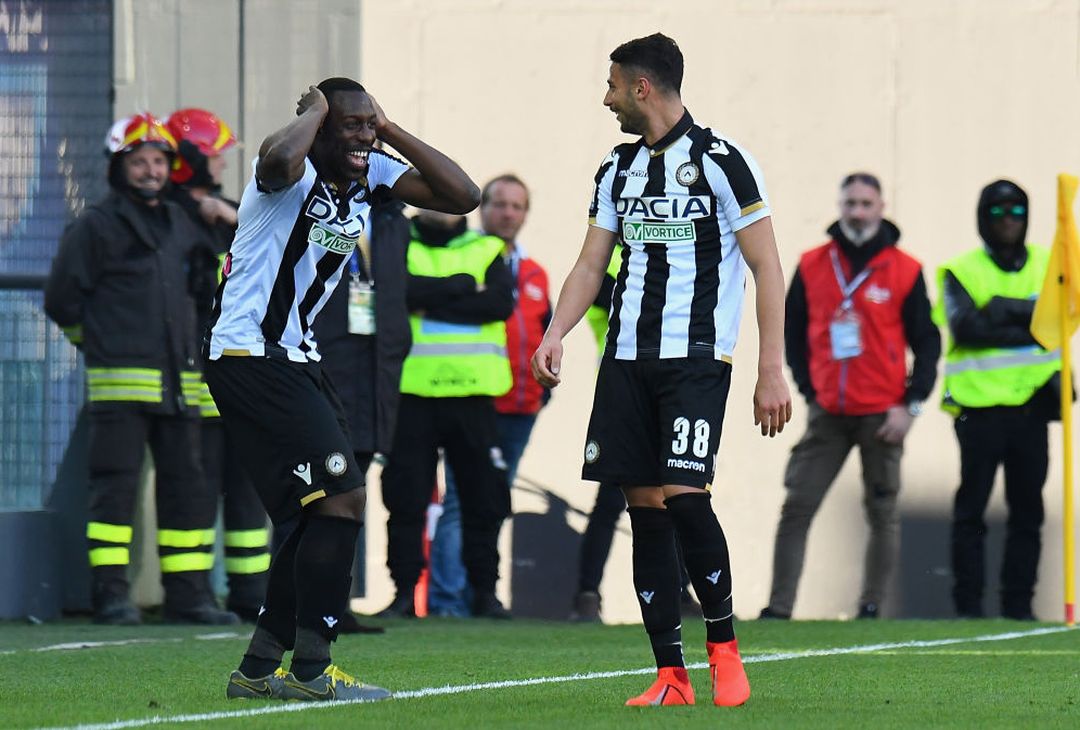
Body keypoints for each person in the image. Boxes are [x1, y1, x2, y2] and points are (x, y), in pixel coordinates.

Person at [532, 33, 792, 707]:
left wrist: (772, 368)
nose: (606, 97)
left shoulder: (723, 162)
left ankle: (725, 650)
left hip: (696, 360)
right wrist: (555, 332)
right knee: (642, 507)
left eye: (613, 84)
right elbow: (592, 264)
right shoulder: (615, 170)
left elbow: (766, 266)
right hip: (626, 360)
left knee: (684, 494)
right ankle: (671, 676)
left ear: (642, 87)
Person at [204, 77, 479, 702]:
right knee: (344, 498)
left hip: (296, 358)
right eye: (349, 126)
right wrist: (319, 110)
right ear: (321, 127)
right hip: (251, 352)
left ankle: (257, 669)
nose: (362, 136)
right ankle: (312, 670)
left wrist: (387, 130)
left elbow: (462, 194)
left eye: (368, 124)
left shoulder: (371, 175)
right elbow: (276, 158)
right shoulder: (287, 175)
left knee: (318, 509)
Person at [44, 113, 237, 626]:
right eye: (140, 161)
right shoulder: (95, 227)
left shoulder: (181, 225)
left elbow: (211, 290)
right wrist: (100, 348)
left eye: (159, 161)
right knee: (115, 492)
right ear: (118, 167)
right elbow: (62, 302)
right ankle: (109, 595)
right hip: (121, 390)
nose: (151, 170)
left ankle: (189, 597)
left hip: (181, 388)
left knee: (188, 491)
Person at [759, 173, 940, 621]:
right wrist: (808, 388)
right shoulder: (815, 263)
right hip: (829, 414)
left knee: (882, 512)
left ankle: (871, 606)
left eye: (866, 203)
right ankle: (779, 608)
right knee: (797, 505)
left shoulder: (905, 269)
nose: (857, 212)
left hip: (882, 413)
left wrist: (911, 406)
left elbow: (929, 344)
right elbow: (792, 332)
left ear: (881, 208)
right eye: (850, 203)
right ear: (840, 207)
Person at [377, 209, 515, 620]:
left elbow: (497, 305)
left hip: (473, 396)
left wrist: (426, 299)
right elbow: (394, 293)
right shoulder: (397, 242)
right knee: (405, 499)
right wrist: (458, 287)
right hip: (411, 393)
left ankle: (484, 594)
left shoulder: (486, 246)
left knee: (484, 500)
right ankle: (404, 594)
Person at [933, 179, 1060, 621]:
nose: (1009, 220)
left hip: (1033, 408)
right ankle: (969, 607)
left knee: (1028, 513)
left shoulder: (1051, 265)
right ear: (982, 218)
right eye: (999, 212)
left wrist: (999, 308)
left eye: (1018, 211)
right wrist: (1030, 316)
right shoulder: (960, 270)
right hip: (979, 409)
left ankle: (1019, 606)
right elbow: (968, 328)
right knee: (972, 512)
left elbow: (1061, 321)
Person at [427, 174, 551, 618]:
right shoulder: (467, 254)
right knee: (461, 503)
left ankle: (480, 592)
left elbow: (544, 332)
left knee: (494, 504)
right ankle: (447, 601)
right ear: (483, 209)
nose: (508, 214)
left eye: (518, 206)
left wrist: (541, 393)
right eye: (500, 204)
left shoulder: (535, 273)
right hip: (474, 400)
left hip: (520, 406)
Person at [165, 107, 270, 622]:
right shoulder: (165, 217)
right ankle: (191, 597)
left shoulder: (232, 214)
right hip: (190, 383)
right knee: (194, 491)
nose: (223, 166)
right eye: (214, 155)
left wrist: (233, 218)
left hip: (241, 375)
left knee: (250, 491)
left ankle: (253, 595)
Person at [304, 174, 413, 633]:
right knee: (318, 495)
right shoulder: (310, 209)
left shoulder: (392, 222)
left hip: (374, 378)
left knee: (352, 492)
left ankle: (336, 604)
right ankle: (306, 603)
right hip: (325, 368)